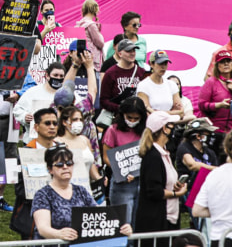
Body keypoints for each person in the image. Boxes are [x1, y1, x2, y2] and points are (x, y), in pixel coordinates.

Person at [33, 144, 131, 241]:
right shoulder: (42, 195)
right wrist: (58, 234)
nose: (65, 167)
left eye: (69, 163)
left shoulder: (81, 191)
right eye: (59, 164)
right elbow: (42, 228)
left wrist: (121, 226)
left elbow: (101, 216)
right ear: (50, 169)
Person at [136, 111, 187, 236]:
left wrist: (175, 186)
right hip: (156, 223)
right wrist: (176, 193)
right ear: (164, 128)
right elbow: (154, 191)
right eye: (172, 125)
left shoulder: (164, 153)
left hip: (168, 218)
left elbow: (163, 182)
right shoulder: (153, 156)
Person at [102, 97, 146, 226]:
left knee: (138, 224)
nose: (132, 121)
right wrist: (122, 171)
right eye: (129, 117)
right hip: (121, 182)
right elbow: (106, 157)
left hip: (141, 181)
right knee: (123, 224)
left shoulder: (145, 131)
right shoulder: (113, 130)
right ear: (122, 115)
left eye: (136, 118)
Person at [192, 132, 232, 244]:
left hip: (218, 238)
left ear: (225, 149)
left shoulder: (213, 174)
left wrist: (220, 212)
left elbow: (197, 210)